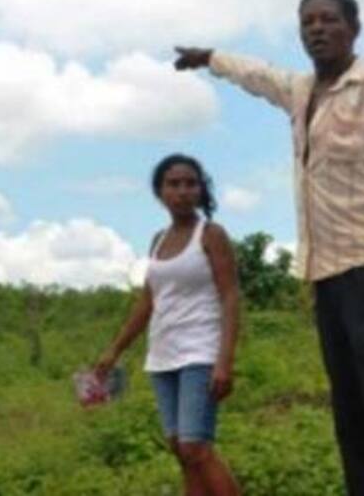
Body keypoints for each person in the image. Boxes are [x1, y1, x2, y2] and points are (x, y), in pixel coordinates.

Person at [175, 0, 364, 496]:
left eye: (328, 20)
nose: (317, 29)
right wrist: (211, 58)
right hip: (327, 276)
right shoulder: (303, 92)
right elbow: (260, 77)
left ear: (354, 28)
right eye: (307, 23)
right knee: (351, 413)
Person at [95, 153, 241, 496]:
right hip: (163, 355)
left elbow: (230, 297)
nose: (182, 191)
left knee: (196, 448)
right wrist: (113, 351)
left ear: (201, 190)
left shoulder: (212, 235)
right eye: (173, 184)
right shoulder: (158, 241)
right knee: (180, 449)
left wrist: (224, 361)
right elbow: (148, 301)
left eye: (191, 183)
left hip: (199, 353)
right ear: (159, 192)